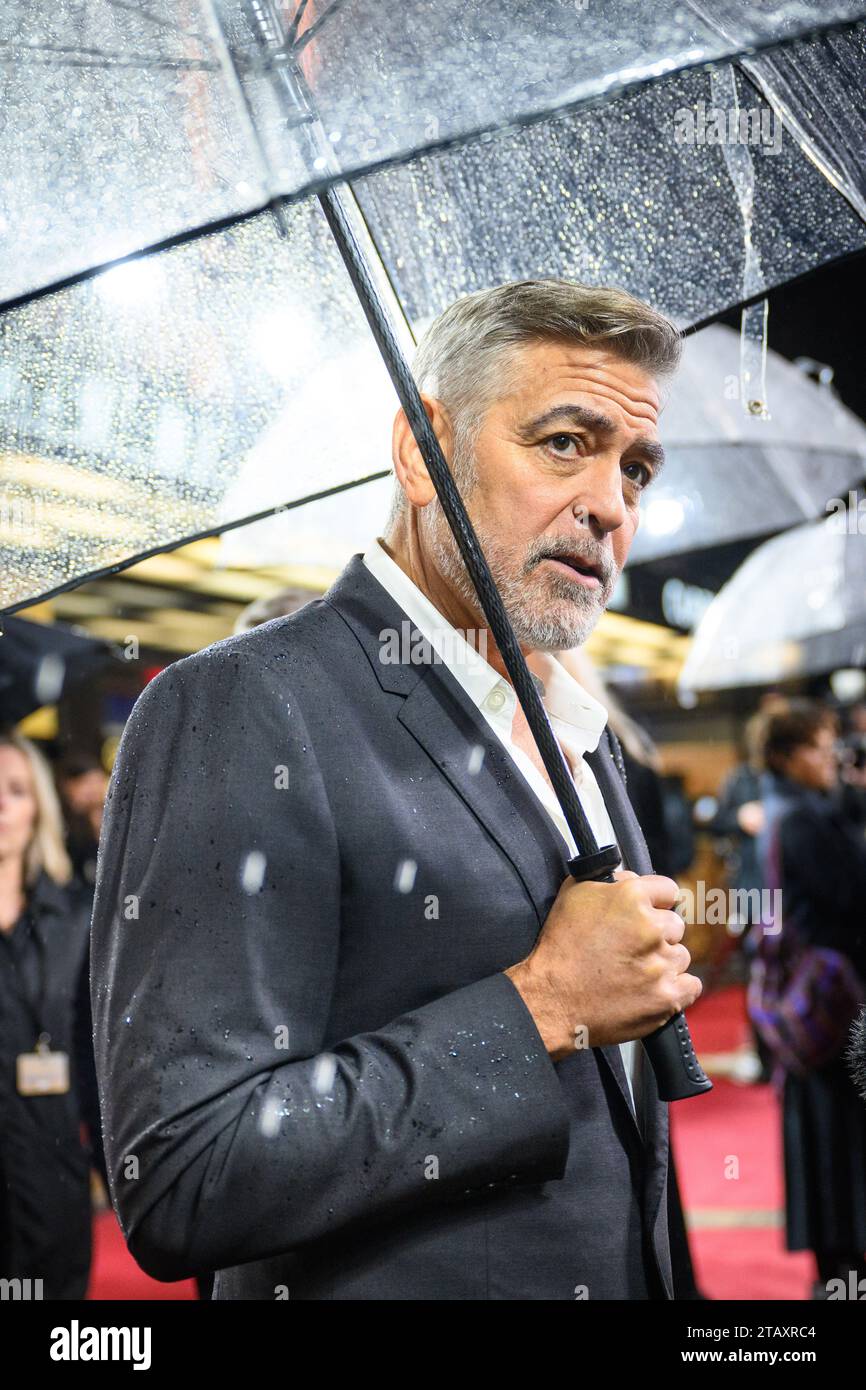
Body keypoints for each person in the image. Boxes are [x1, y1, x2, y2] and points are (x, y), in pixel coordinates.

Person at [91, 278, 702, 1301]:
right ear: (423, 450)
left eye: (633, 466)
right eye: (563, 442)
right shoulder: (243, 704)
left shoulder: (575, 732)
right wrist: (541, 1003)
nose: (609, 503)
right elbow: (186, 1175)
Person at [752, 701, 866, 1297]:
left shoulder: (796, 810)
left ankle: (840, 1271)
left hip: (817, 1010)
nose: (833, 758)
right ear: (789, 756)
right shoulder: (801, 820)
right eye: (821, 748)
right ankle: (843, 1275)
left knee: (829, 1143)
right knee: (836, 1145)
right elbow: (853, 897)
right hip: (832, 1011)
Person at [0, 731, 99, 1298]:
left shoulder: (75, 922)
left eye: (16, 789)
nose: (3, 805)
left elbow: (93, 1062)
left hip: (53, 1182)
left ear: (37, 804)